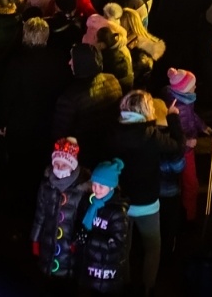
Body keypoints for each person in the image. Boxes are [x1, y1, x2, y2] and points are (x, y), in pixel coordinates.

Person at [110, 89, 183, 296]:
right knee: (153, 247)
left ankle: (124, 285)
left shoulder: (114, 133)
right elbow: (178, 146)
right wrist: (173, 116)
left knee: (124, 247)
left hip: (122, 200)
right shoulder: (152, 136)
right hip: (148, 202)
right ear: (146, 110)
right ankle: (147, 287)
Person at [32, 138, 91, 286]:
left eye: (64, 165)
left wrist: (77, 243)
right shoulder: (47, 185)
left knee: (66, 285)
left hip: (70, 251)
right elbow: (40, 215)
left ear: (72, 165)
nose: (59, 168)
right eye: (56, 164)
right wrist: (35, 239)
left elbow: (85, 221)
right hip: (47, 245)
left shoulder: (82, 189)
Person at [76, 159, 131, 295]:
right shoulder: (89, 202)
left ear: (111, 187)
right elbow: (81, 225)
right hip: (88, 267)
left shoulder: (118, 212)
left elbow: (117, 244)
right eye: (94, 184)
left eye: (102, 186)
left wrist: (89, 239)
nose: (96, 189)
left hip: (105, 274)